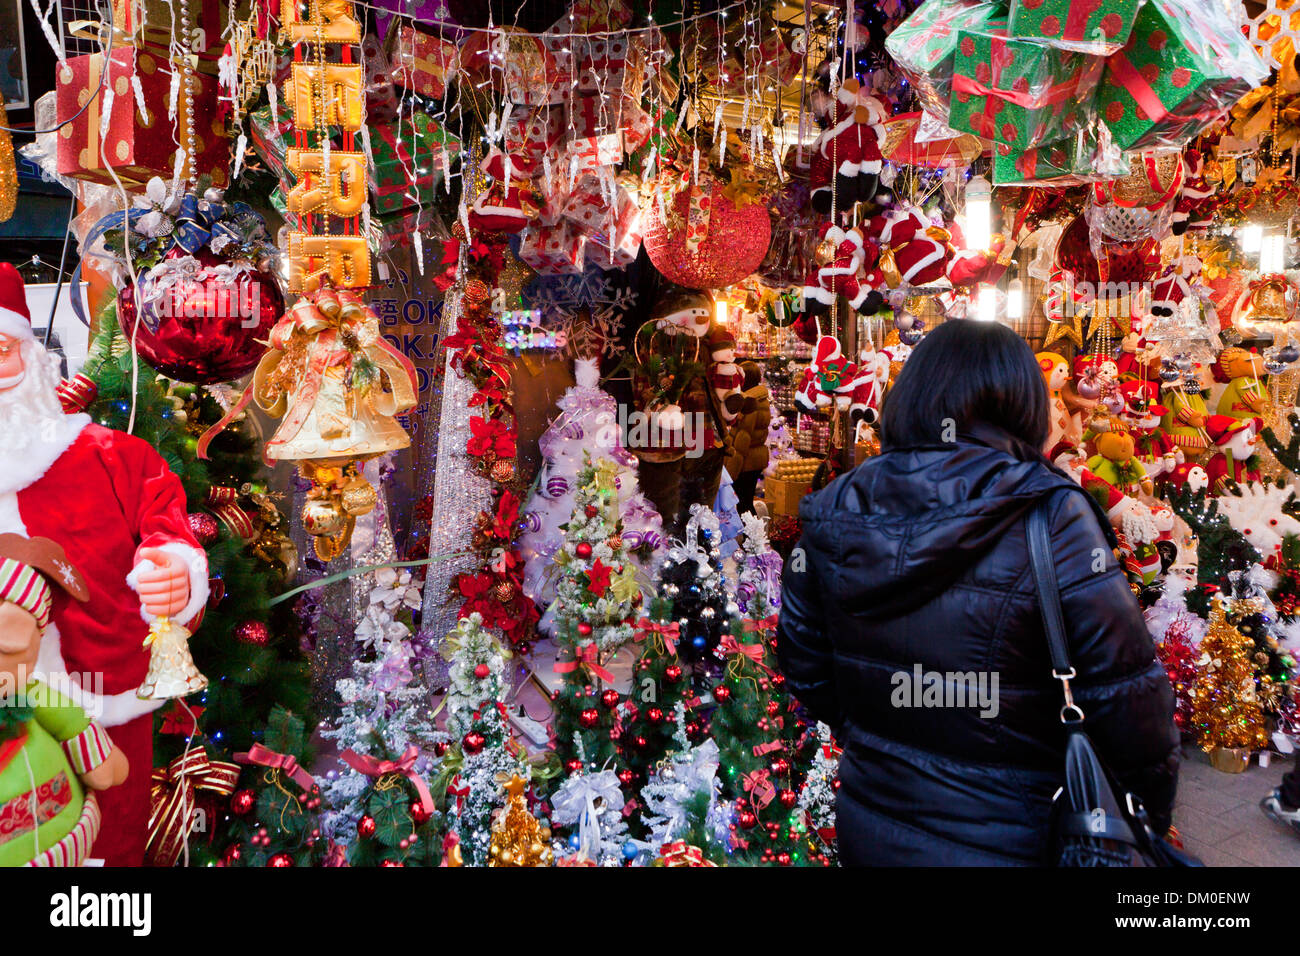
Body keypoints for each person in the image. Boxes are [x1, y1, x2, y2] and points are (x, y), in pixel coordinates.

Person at [777, 319, 1180, 866]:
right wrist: (1147, 819)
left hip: (874, 821)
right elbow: (1131, 700)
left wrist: (875, 734)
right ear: (1023, 403)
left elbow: (804, 663)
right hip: (1016, 832)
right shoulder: (1052, 510)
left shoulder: (836, 505)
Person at [0, 263, 208, 865]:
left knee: (108, 849)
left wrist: (172, 573)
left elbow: (166, 527)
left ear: (33, 356)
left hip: (100, 699)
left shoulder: (112, 455)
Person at [723, 361, 771, 514]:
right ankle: (753, 535)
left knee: (743, 504)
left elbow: (742, 441)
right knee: (747, 501)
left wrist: (731, 470)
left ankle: (749, 536)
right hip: (755, 459)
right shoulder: (760, 399)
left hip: (746, 462)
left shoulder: (749, 403)